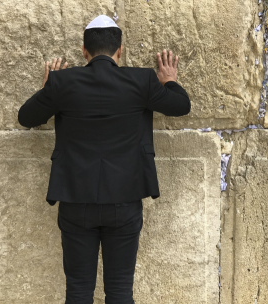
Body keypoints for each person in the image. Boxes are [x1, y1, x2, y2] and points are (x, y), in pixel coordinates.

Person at [17, 14, 191, 304]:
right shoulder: (143, 80)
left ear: (84, 52)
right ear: (119, 51)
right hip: (124, 202)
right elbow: (181, 106)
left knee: (78, 290)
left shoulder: (62, 83)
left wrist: (48, 88)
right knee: (121, 290)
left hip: (76, 203)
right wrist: (169, 81)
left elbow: (27, 117)